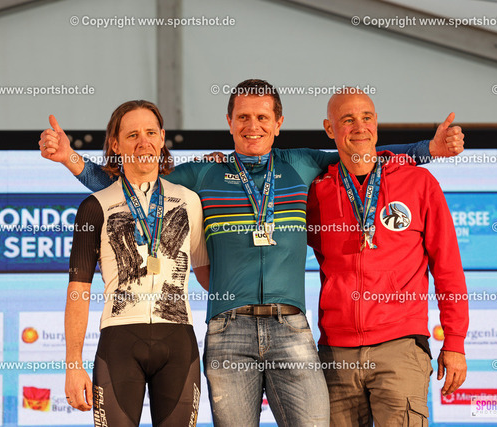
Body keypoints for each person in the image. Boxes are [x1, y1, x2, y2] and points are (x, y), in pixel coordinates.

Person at [41, 79, 464, 426]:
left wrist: (429, 151)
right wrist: (69, 159)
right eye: (243, 117)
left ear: (279, 123)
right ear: (229, 122)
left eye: (262, 117)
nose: (253, 126)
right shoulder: (205, 173)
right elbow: (131, 182)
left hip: (292, 329)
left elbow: (361, 152)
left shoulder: (302, 164)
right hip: (228, 333)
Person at [306, 90, 469, 426]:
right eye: (348, 119)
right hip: (336, 354)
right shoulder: (317, 191)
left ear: (376, 123)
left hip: (401, 348)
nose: (359, 127)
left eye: (366, 117)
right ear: (329, 128)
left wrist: (454, 341)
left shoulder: (419, 182)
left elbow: (448, 268)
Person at [62, 100, 210, 426]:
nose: (144, 142)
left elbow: (207, 275)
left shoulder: (189, 201)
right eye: (132, 135)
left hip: (179, 342)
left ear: (162, 138)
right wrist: (73, 364)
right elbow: (78, 290)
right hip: (119, 342)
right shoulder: (94, 206)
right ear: (115, 144)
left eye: (150, 133)